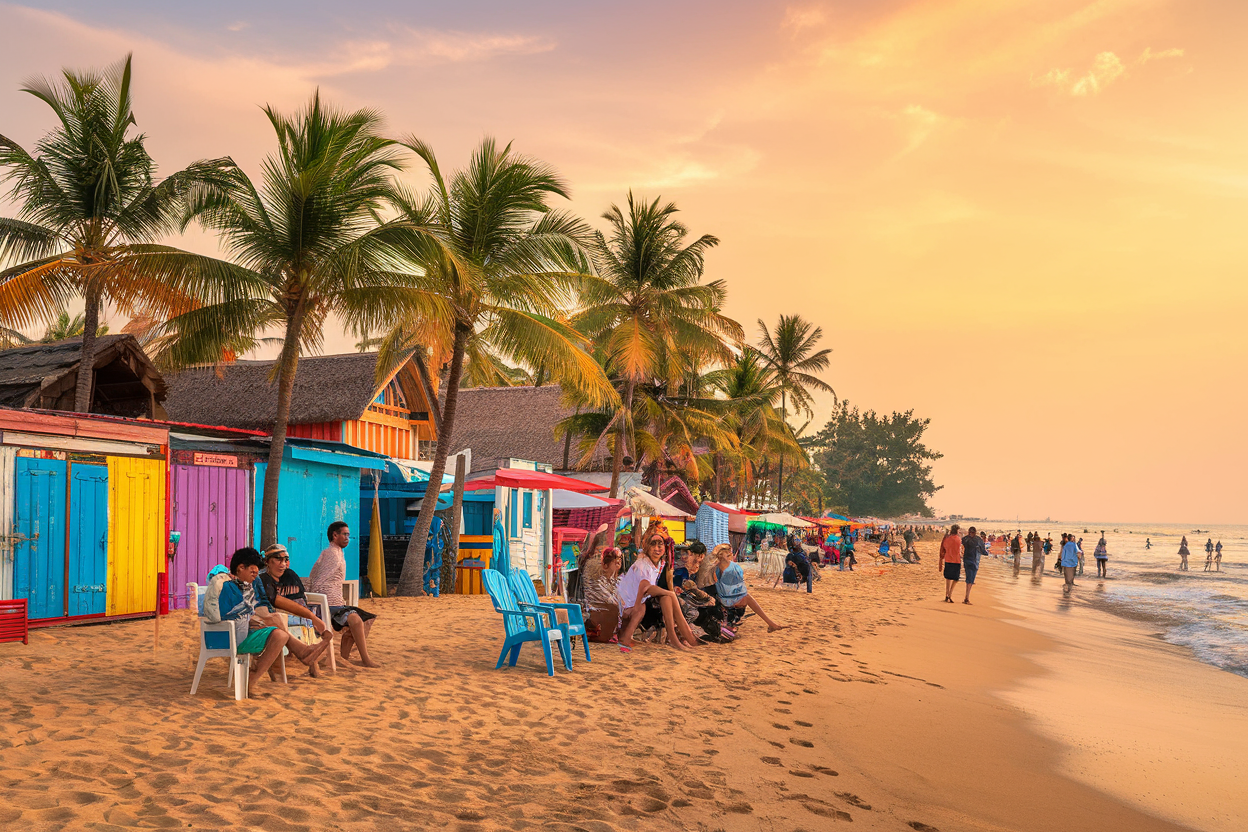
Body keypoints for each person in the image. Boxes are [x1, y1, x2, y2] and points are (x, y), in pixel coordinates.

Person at [215, 547, 330, 685]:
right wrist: (254, 617)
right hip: (240, 628)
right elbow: (226, 612)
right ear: (240, 568)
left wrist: (265, 614)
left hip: (258, 616)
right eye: (278, 559)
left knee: (277, 624)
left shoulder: (261, 579)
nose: (256, 572)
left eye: (286, 560)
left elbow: (263, 601)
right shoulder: (229, 586)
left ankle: (254, 679)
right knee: (275, 619)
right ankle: (303, 652)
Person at [308, 522, 380, 667]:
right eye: (345, 534)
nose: (348, 537)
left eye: (348, 535)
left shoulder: (337, 552)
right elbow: (318, 580)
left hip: (336, 603)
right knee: (357, 620)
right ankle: (365, 659)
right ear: (335, 535)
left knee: (356, 622)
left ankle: (344, 659)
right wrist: (317, 604)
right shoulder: (331, 554)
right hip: (328, 604)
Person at [616, 536, 700, 651]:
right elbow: (645, 588)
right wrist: (670, 593)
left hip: (639, 602)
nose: (657, 548)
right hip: (627, 606)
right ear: (647, 547)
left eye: (660, 544)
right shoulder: (643, 564)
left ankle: (685, 637)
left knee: (668, 597)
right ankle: (676, 637)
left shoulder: (660, 563)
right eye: (653, 544)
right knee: (667, 597)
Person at [259, 544, 334, 647]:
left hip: (298, 618)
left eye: (285, 560)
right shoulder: (263, 579)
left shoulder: (290, 576)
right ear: (267, 561)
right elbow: (276, 600)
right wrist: (312, 617)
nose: (283, 564)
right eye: (278, 559)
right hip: (275, 621)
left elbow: (300, 601)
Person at [712, 544, 787, 631]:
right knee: (747, 597)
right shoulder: (733, 568)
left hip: (721, 601)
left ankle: (771, 623)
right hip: (728, 605)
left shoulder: (715, 568)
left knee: (745, 597)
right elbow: (739, 590)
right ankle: (771, 623)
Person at [583, 548, 622, 643]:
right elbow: (609, 600)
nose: (618, 562)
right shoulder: (597, 581)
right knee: (614, 609)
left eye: (619, 560)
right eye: (615, 561)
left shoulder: (616, 581)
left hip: (606, 610)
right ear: (605, 565)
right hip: (596, 612)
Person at [938, 524, 962, 604]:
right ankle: (950, 594)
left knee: (948, 578)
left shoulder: (946, 538)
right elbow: (959, 549)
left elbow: (943, 548)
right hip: (956, 560)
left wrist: (941, 559)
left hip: (948, 559)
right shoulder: (958, 539)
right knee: (955, 579)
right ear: (957, 531)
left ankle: (947, 594)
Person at [960, 526, 983, 605]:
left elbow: (962, 544)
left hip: (966, 559)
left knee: (968, 578)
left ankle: (967, 597)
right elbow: (983, 551)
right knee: (971, 579)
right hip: (974, 561)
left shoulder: (965, 539)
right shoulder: (978, 540)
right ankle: (967, 597)